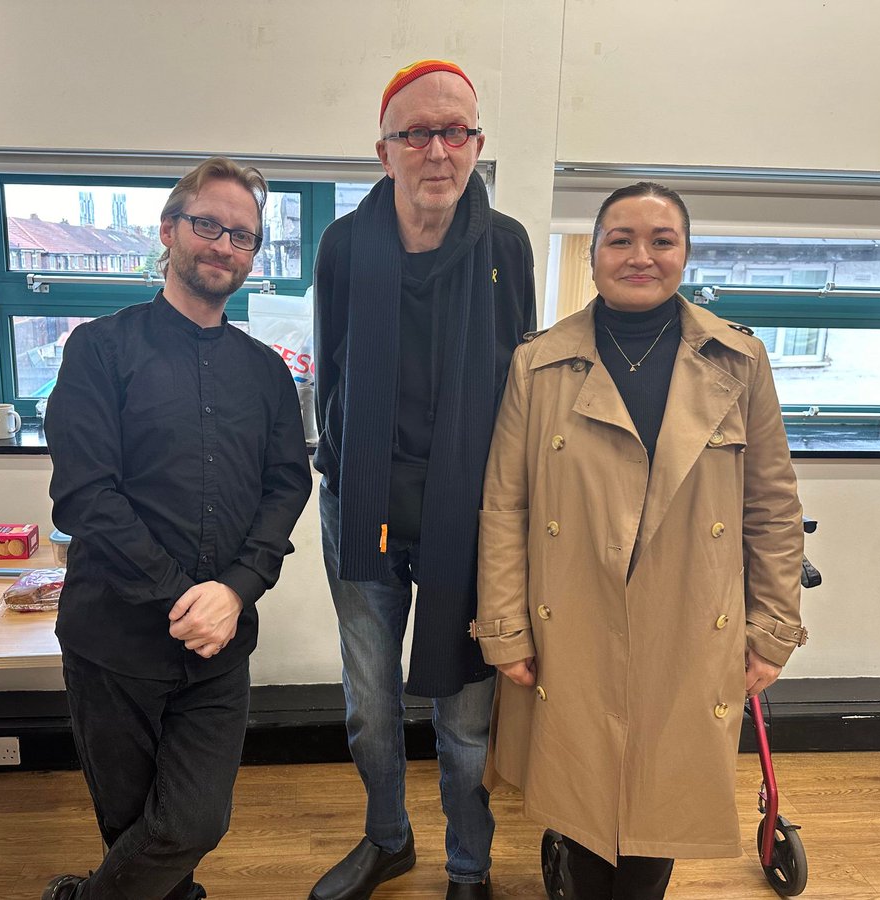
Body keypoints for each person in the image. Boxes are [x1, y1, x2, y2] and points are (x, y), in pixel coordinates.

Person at [474, 182, 807, 899]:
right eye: (620, 239)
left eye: (662, 240)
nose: (640, 256)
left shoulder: (739, 362)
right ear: (592, 253)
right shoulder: (538, 365)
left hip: (689, 626)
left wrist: (772, 628)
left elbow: (773, 507)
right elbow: (506, 505)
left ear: (685, 254)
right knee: (582, 796)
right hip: (575, 623)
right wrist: (505, 630)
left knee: (658, 813)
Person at [41, 157, 312, 900]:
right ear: (168, 230)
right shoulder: (99, 349)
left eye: (244, 237)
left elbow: (287, 484)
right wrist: (182, 596)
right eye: (208, 225)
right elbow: (84, 495)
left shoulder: (266, 374)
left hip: (218, 648)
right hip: (113, 642)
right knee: (133, 825)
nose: (225, 245)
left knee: (192, 822)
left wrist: (235, 589)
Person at [311, 60, 537, 900]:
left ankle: (468, 867)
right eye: (417, 133)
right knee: (369, 707)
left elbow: (521, 374)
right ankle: (388, 839)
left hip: (469, 518)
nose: (438, 150)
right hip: (362, 507)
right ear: (384, 149)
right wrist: (338, 466)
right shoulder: (343, 245)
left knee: (465, 720)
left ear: (476, 144)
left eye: (456, 132)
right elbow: (331, 370)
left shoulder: (505, 245)